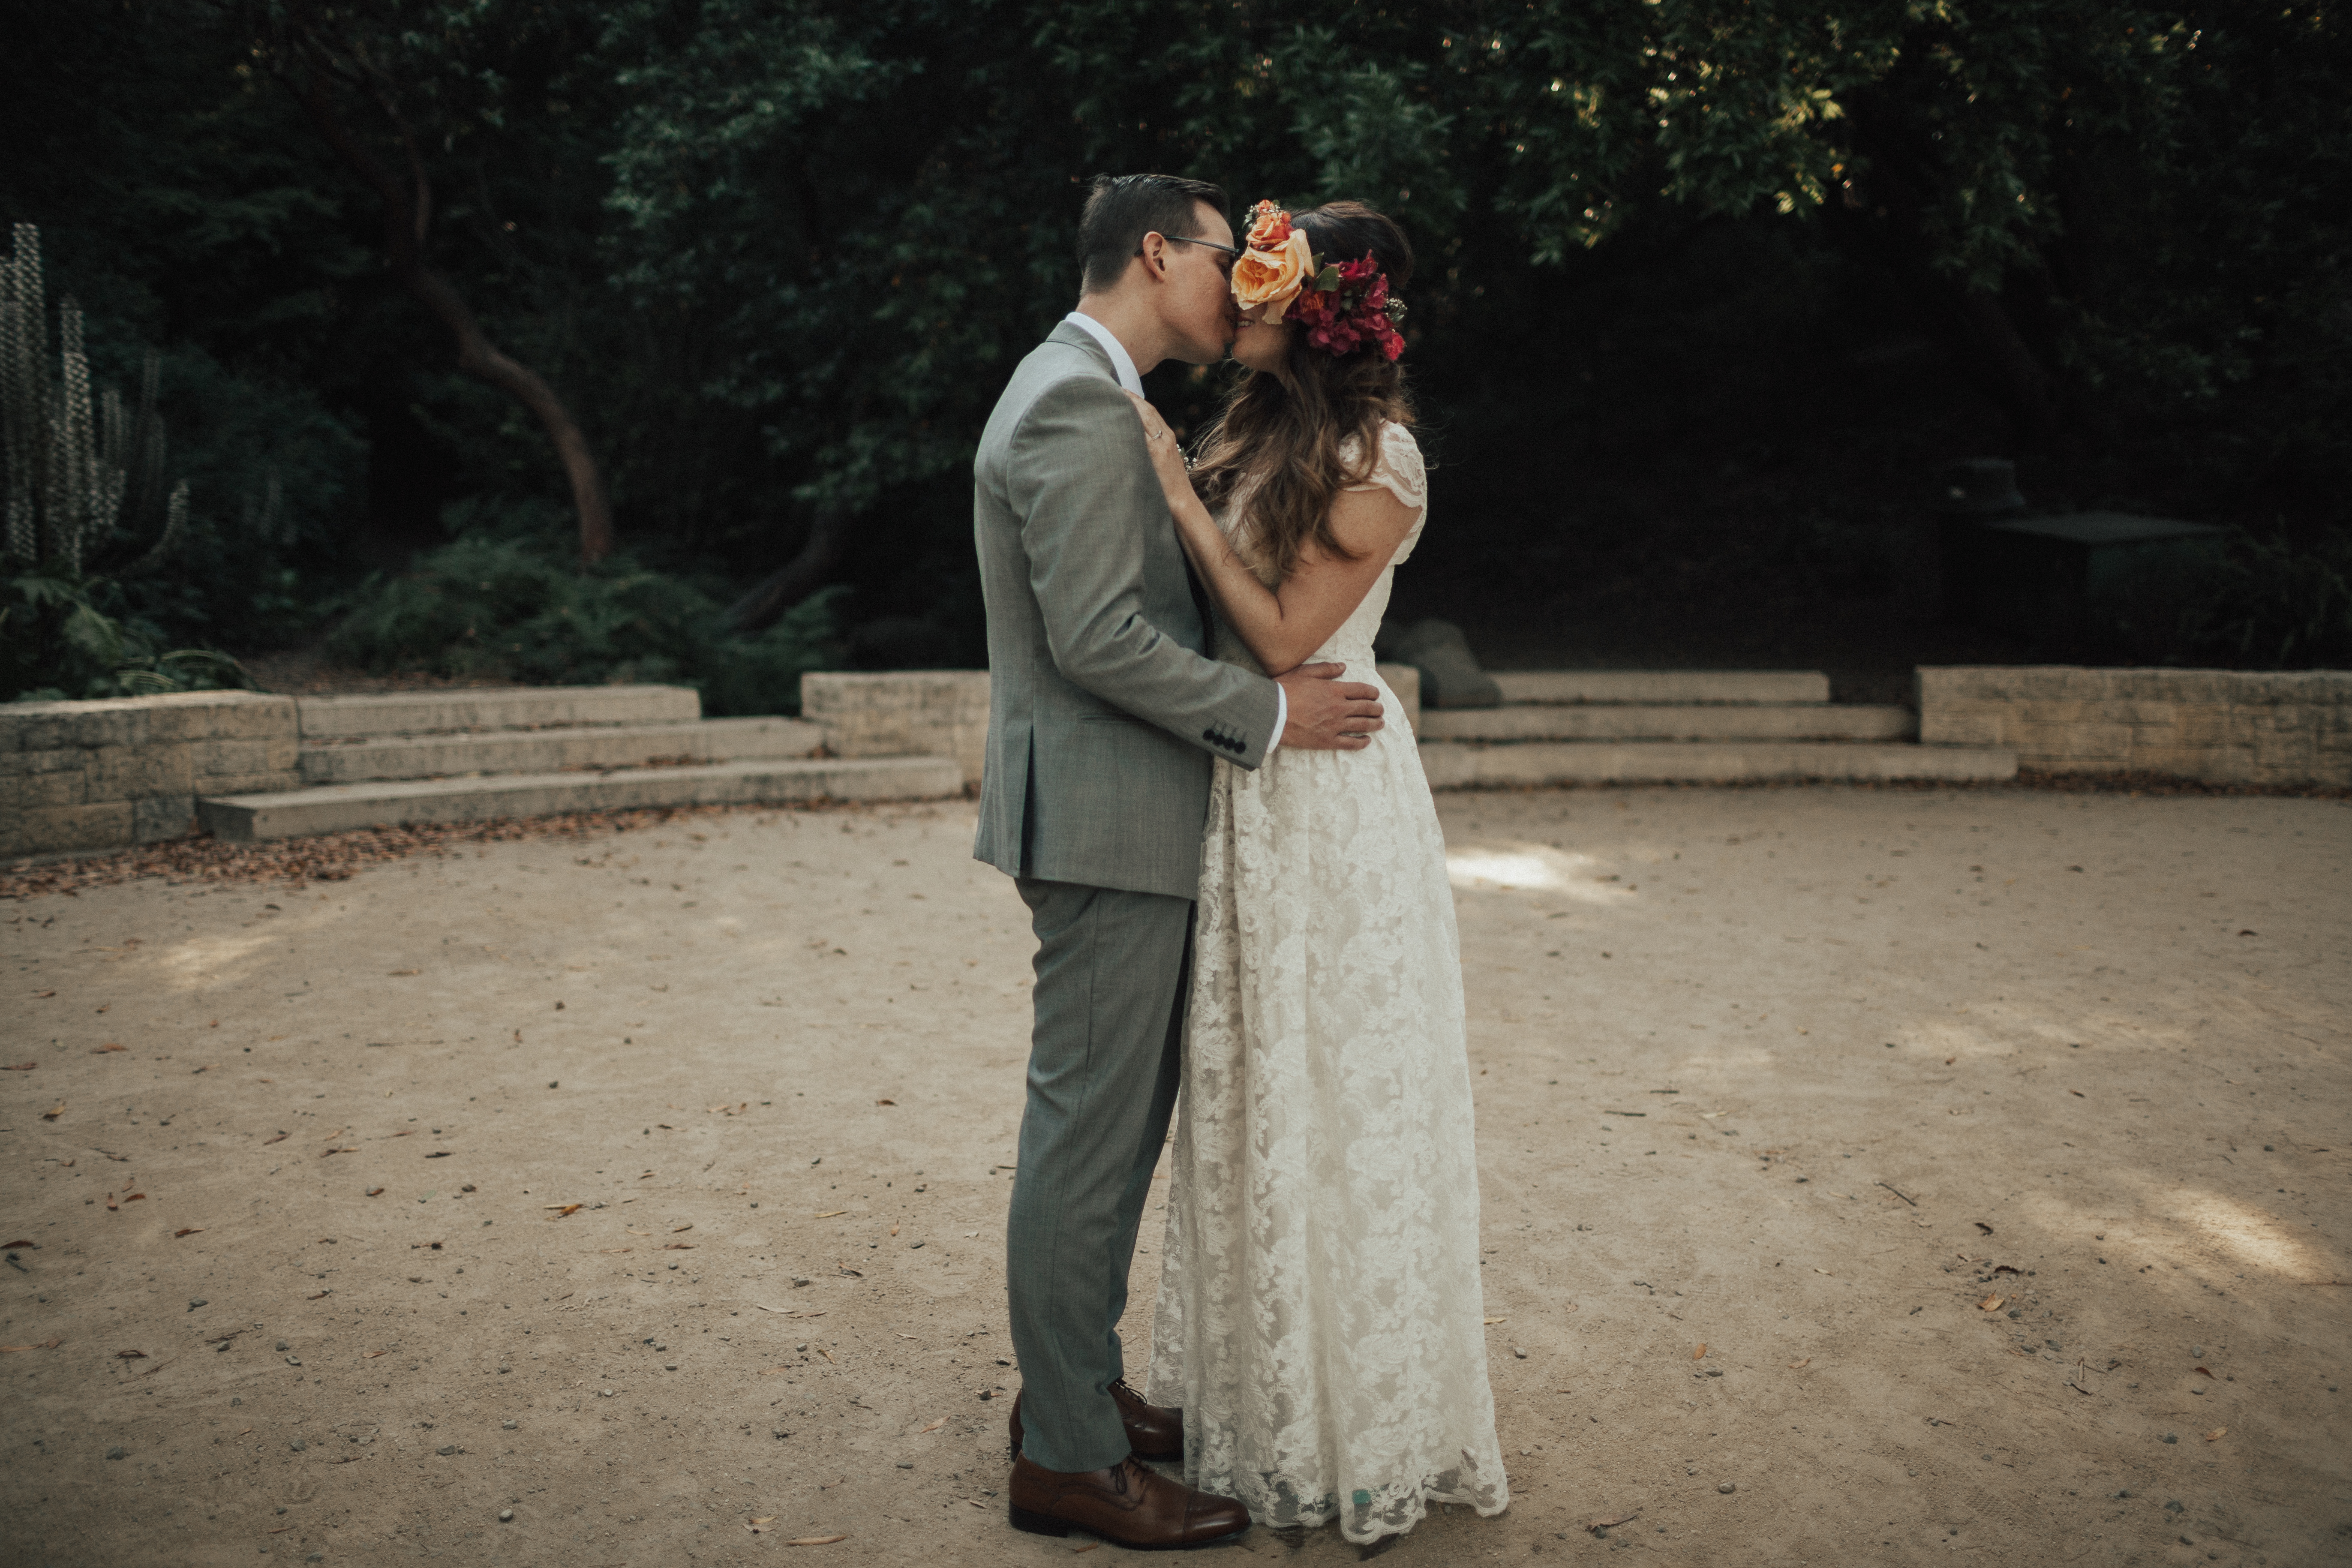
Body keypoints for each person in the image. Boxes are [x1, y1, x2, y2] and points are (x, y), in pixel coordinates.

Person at [970, 172, 1386, 1550]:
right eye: (1228, 256)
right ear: (1156, 254)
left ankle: (1075, 1395)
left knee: (1111, 1134)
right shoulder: (1077, 399)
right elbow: (1096, 637)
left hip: (1123, 813)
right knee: (1087, 1142)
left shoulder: (1085, 389)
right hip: (1102, 819)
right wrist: (1271, 713)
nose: (1248, 282)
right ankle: (1070, 1461)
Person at [1126, 198, 1511, 1551]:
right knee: (1255, 1092)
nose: (1241, 291)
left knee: (1341, 1092)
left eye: (1266, 279)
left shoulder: (1381, 456)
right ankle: (1261, 1411)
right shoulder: (1260, 426)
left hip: (1331, 793)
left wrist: (1176, 492)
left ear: (1323, 307)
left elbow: (1290, 627)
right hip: (1253, 779)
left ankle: (1364, 1439)